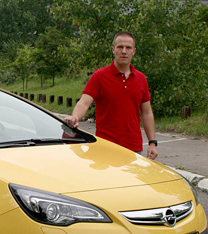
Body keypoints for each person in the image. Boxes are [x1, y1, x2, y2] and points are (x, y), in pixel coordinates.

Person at [64, 31, 158, 160]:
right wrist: (75, 117)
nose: (124, 51)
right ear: (113, 50)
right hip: (105, 147)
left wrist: (152, 143)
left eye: (128, 47)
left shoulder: (141, 79)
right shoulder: (99, 76)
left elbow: (147, 113)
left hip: (134, 149)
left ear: (134, 51)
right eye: (120, 47)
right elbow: (84, 102)